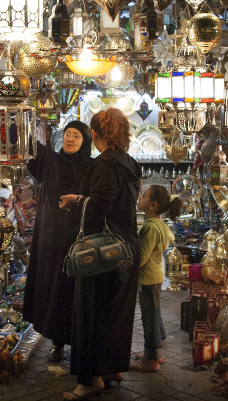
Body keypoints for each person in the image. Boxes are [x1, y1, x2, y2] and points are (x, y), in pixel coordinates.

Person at [59, 108, 142, 400]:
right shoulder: (129, 162)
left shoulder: (104, 164)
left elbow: (100, 206)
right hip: (128, 247)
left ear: (94, 135)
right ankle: (112, 369)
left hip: (103, 252)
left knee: (91, 313)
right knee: (115, 314)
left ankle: (91, 380)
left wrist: (77, 200)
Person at [23, 121, 94, 363]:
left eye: (76, 135)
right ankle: (57, 343)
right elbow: (29, 143)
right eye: (66, 134)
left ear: (86, 141)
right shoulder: (50, 162)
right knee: (53, 290)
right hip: (51, 240)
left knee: (76, 292)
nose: (70, 139)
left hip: (79, 239)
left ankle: (79, 344)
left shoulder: (93, 167)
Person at [130, 185, 180, 372]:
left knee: (149, 319)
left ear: (153, 205)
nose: (139, 198)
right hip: (156, 276)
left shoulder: (150, 227)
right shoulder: (159, 223)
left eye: (143, 196)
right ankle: (157, 352)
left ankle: (150, 360)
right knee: (155, 315)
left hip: (148, 279)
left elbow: (142, 257)